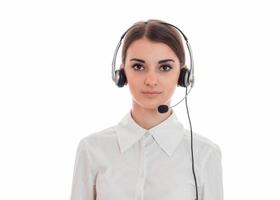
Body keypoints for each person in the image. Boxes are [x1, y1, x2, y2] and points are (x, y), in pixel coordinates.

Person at [70, 19, 223, 200]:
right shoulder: (92, 149)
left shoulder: (204, 154)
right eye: (138, 66)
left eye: (165, 67)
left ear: (183, 76)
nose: (151, 80)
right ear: (121, 74)